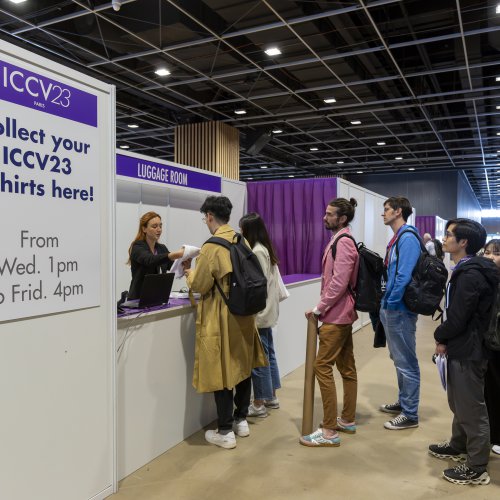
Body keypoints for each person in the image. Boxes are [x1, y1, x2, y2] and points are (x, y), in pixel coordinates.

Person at [184, 196, 267, 450]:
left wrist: (189, 273)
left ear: (209, 216)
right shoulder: (240, 239)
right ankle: (241, 420)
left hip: (221, 316)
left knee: (220, 371)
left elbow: (201, 284)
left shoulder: (211, 247)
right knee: (242, 367)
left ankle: (225, 431)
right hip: (243, 315)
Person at [428, 219, 498, 485]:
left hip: (470, 349)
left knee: (471, 407)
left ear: (463, 242)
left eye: (449, 235)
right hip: (463, 345)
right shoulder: (465, 269)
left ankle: (477, 466)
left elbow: (458, 317)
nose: (444, 239)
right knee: (459, 402)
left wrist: (440, 335)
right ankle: (459, 444)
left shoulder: (470, 274)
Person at [300, 198, 360, 447]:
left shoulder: (343, 242)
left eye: (329, 214)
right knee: (346, 367)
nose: (325, 217)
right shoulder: (339, 239)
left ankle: (329, 431)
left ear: (342, 218)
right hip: (341, 314)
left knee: (322, 366)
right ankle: (347, 419)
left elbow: (339, 282)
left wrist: (319, 308)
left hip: (337, 316)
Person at [379, 196, 421, 430]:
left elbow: (403, 275)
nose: (383, 213)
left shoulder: (408, 238)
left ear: (398, 212)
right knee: (399, 359)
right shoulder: (398, 237)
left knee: (406, 362)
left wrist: (391, 302)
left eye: (387, 209)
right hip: (392, 307)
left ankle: (410, 414)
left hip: (400, 309)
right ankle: (404, 403)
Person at [240, 213, 281, 418]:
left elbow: (258, 284)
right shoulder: (265, 248)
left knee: (259, 359)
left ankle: (259, 403)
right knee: (268, 354)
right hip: (268, 311)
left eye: (242, 229)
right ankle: (271, 396)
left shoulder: (256, 251)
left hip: (260, 313)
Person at [127, 211, 184, 299]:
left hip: (157, 298)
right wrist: (172, 255)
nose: (159, 229)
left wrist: (184, 262)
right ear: (144, 229)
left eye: (160, 226)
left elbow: (174, 267)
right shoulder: (137, 247)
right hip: (138, 300)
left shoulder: (162, 248)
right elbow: (150, 260)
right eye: (154, 226)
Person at [483, 239, 500, 457]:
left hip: (497, 344)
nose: (490, 257)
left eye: (496, 253)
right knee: (488, 390)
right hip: (488, 343)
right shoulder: (486, 278)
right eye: (487, 252)